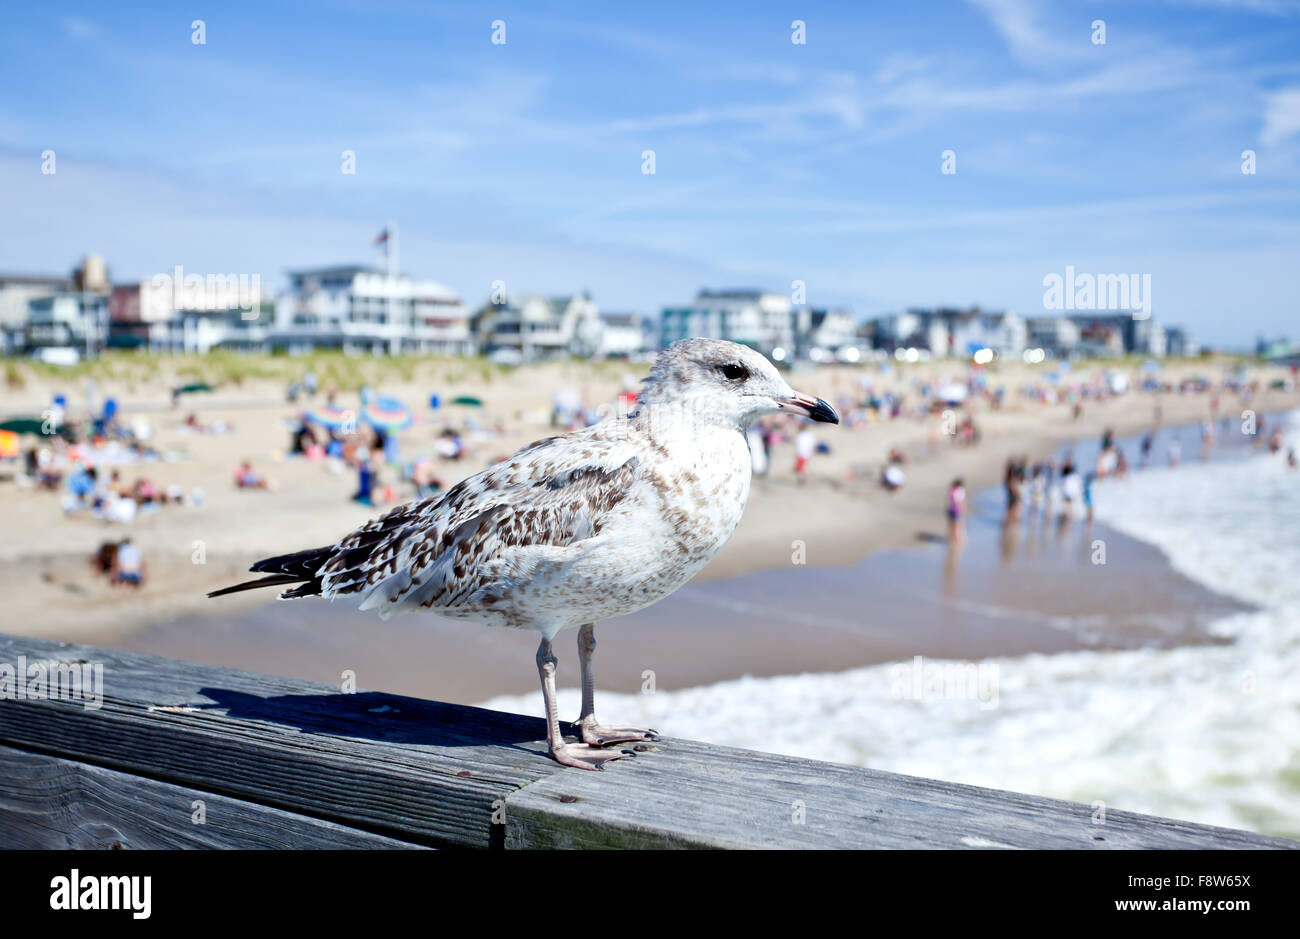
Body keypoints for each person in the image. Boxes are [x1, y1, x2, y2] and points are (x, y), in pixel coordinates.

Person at [947, 478, 966, 546]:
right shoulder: (959, 491)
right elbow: (960, 502)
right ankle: (956, 540)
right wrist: (963, 508)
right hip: (957, 510)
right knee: (956, 526)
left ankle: (953, 538)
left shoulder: (952, 490)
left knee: (953, 525)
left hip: (952, 509)